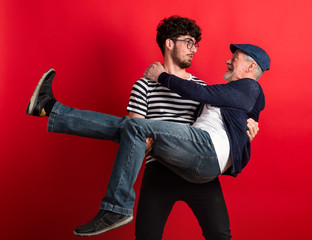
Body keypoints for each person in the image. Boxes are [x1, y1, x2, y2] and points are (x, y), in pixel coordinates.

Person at [26, 16, 260, 239]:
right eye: (189, 42)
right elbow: (135, 133)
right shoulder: (143, 86)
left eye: (196, 44)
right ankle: (51, 109)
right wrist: (145, 141)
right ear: (169, 43)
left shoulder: (201, 89)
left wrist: (247, 126)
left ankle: (51, 109)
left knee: (220, 235)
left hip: (195, 161)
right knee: (147, 235)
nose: (194, 49)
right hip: (160, 167)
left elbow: (216, 123)